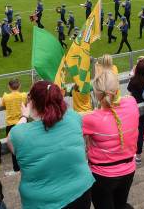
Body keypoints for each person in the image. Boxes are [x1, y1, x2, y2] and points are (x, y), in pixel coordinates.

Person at [8, 81, 94, 209]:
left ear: (32, 103)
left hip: (43, 203)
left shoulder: (19, 134)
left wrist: (24, 116)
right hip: (81, 193)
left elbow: (11, 139)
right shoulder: (74, 117)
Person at [83, 69, 139, 209]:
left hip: (102, 176)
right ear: (117, 89)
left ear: (96, 93)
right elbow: (124, 101)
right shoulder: (132, 103)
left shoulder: (91, 118)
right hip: (128, 171)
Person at [128, 58, 144, 163]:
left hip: (138, 111)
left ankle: (138, 156)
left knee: (139, 133)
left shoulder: (133, 81)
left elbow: (130, 93)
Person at [1, 78, 26, 175]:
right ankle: (25, 165)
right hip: (22, 123)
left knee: (13, 147)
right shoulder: (23, 95)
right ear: (19, 86)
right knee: (23, 146)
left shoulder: (6, 97)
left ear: (9, 87)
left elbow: (2, 104)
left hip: (11, 125)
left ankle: (16, 168)